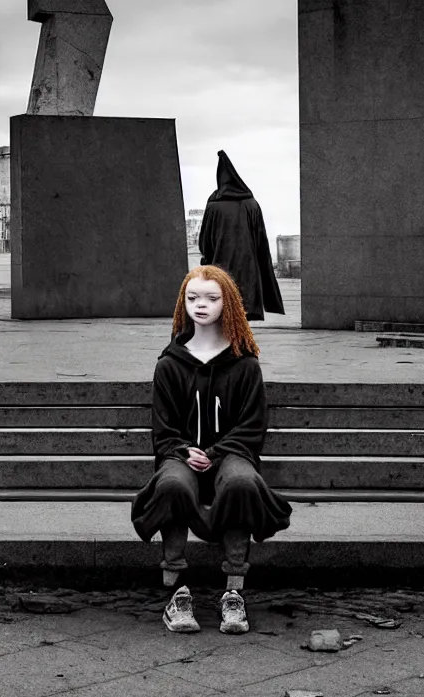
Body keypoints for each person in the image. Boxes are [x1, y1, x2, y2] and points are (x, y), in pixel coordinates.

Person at [131, 265, 292, 635]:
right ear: (182, 303)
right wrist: (185, 450)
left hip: (231, 455)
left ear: (228, 303)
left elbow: (252, 426)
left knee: (240, 483)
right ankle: (177, 592)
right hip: (181, 457)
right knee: (170, 485)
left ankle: (234, 593)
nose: (200, 305)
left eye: (211, 298)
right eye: (192, 297)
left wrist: (217, 453)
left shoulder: (245, 363)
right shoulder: (170, 363)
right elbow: (163, 428)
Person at [198, 150, 284, 321]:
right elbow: (260, 240)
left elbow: (205, 241)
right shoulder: (251, 204)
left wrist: (208, 257)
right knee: (245, 307)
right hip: (249, 267)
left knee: (222, 306)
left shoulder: (214, 205)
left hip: (220, 266)